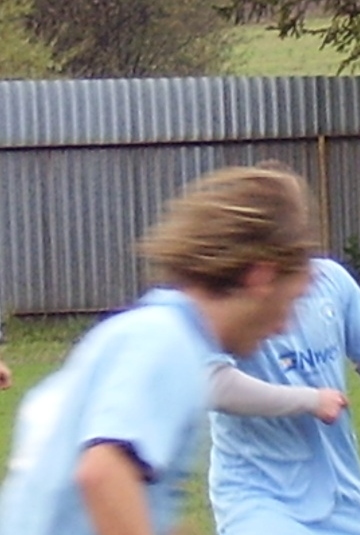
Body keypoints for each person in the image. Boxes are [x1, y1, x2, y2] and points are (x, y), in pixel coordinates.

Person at [0, 165, 315, 535]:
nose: (284, 325)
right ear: (261, 278)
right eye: (292, 300)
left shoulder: (146, 331)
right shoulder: (167, 342)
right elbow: (103, 474)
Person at [207, 254, 360, 535]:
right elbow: (214, 384)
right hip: (258, 496)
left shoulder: (331, 279)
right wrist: (309, 400)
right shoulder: (226, 293)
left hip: (343, 495)